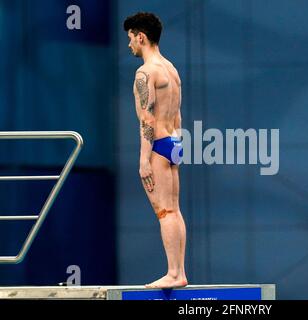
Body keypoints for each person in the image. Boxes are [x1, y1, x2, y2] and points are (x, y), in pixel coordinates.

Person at [123, 12, 187, 289]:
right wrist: (178, 145)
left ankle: (174, 273)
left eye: (130, 39)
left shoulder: (145, 72)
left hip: (159, 146)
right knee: (174, 210)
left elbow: (147, 118)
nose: (129, 46)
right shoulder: (171, 69)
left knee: (165, 212)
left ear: (141, 36)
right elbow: (178, 116)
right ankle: (179, 271)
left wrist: (143, 160)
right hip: (174, 142)